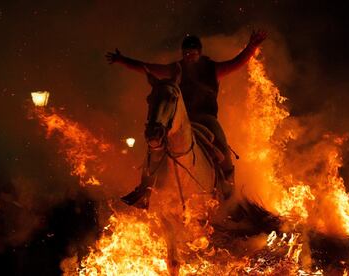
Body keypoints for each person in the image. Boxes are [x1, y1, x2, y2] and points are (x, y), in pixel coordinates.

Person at [106, 30, 267, 197]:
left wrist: (252, 46)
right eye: (186, 53)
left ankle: (228, 188)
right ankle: (144, 189)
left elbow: (236, 62)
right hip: (180, 121)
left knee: (223, 148)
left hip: (207, 119)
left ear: (200, 53)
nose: (189, 56)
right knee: (154, 145)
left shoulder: (213, 69)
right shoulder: (176, 70)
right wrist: (122, 60)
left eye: (193, 53)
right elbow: (148, 68)